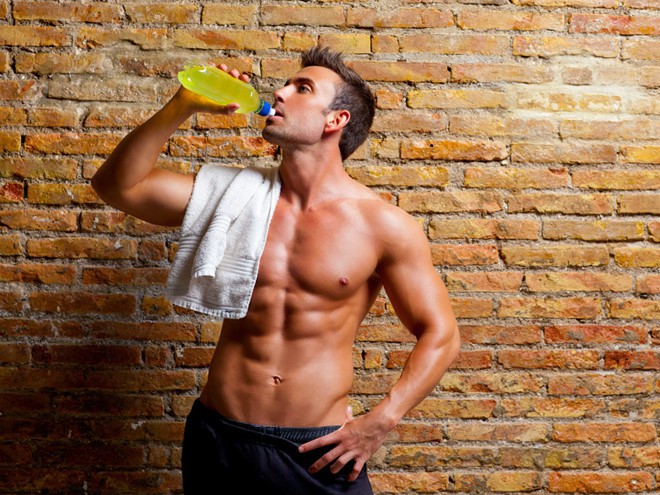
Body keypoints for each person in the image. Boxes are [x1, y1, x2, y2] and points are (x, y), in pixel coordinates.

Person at [92, 47, 460, 494]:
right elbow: (117, 186)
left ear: (336, 119)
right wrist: (182, 105)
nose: (280, 93)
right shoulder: (232, 197)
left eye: (302, 88)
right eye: (285, 84)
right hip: (219, 438)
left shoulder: (382, 225)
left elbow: (441, 333)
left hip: (315, 450)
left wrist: (380, 421)